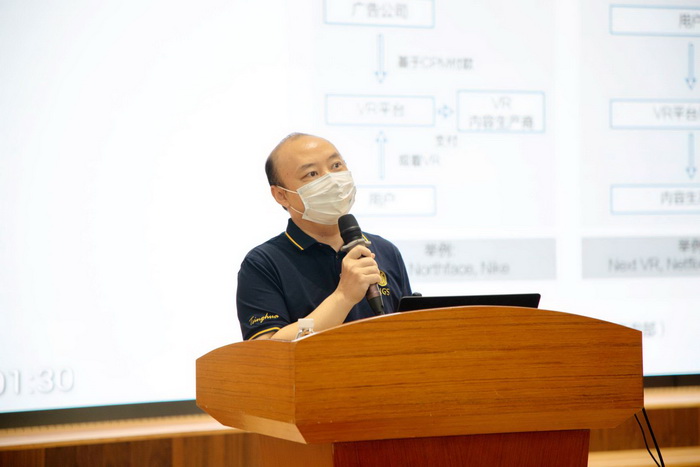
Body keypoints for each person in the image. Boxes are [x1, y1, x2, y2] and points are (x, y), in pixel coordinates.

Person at [237, 133, 412, 340]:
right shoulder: (263, 263)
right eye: (312, 174)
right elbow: (266, 348)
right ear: (281, 195)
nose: (331, 180)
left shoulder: (384, 250)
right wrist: (343, 297)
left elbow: (409, 333)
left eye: (336, 166)